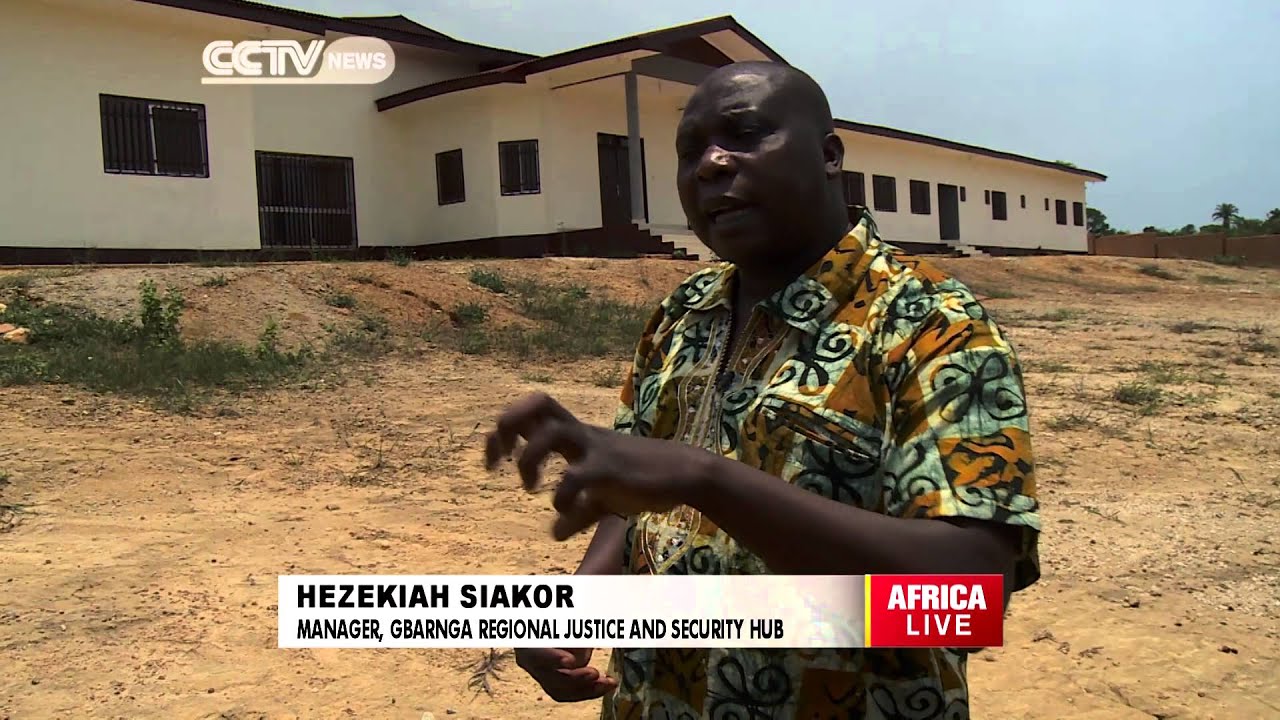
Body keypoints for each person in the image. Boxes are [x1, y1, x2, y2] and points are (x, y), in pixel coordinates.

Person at [483, 60, 1041, 719]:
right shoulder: (681, 314)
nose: (711, 165)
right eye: (689, 150)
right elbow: (632, 502)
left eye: (745, 134)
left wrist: (705, 478)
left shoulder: (931, 323)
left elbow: (969, 592)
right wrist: (578, 608)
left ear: (830, 155)